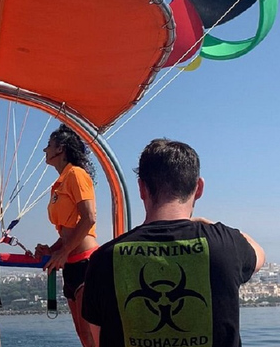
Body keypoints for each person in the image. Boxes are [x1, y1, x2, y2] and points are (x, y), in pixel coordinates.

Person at [82, 139, 265, 347]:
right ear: (199, 189)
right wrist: (207, 224)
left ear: (141, 188)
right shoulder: (225, 245)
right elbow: (259, 253)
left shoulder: (103, 259)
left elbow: (97, 339)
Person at [35, 124, 98, 347]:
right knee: (82, 334)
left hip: (86, 262)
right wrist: (53, 250)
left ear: (60, 149)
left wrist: (63, 252)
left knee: (91, 333)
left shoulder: (77, 175)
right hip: (71, 262)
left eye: (49, 146)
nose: (45, 150)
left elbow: (88, 218)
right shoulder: (60, 182)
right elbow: (69, 228)